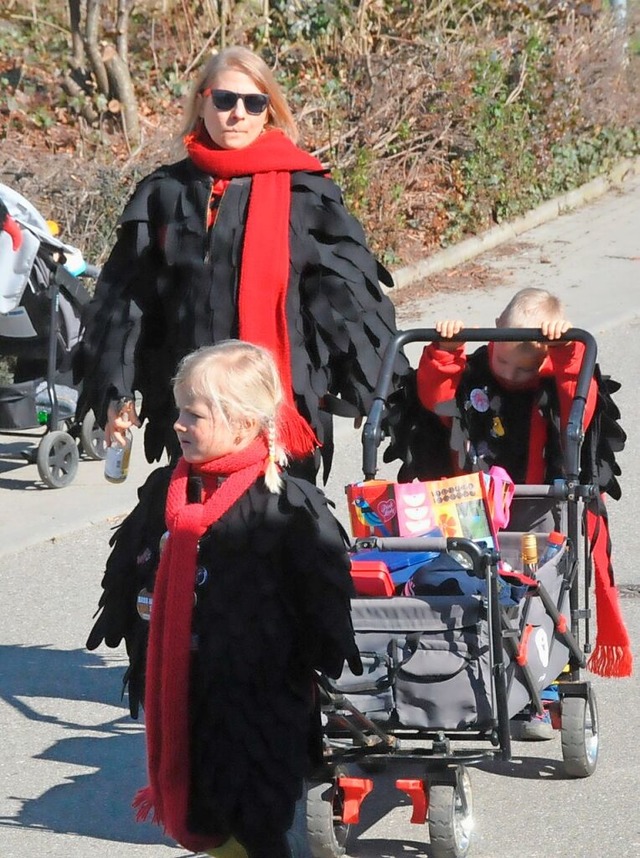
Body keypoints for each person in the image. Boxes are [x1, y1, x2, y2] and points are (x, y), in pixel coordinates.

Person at [74, 45, 405, 482]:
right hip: (192, 408)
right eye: (225, 99)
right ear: (202, 102)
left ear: (269, 110)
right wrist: (116, 386)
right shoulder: (165, 192)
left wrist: (376, 386)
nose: (238, 114)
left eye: (254, 102)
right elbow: (126, 299)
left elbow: (348, 299)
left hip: (278, 408)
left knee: (277, 534)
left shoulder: (306, 193)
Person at [88, 340, 363, 858]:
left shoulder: (286, 506)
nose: (178, 424)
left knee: (266, 825)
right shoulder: (165, 493)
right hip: (190, 693)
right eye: (179, 411)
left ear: (241, 423)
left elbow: (322, 605)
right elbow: (129, 575)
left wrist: (296, 662)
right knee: (208, 815)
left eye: (193, 414)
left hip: (261, 707)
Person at [412, 287, 632, 737]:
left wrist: (567, 349)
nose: (511, 373)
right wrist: (445, 351)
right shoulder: (472, 371)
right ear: (494, 329)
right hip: (471, 502)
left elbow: (580, 403)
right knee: (462, 581)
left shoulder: (556, 376)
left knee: (538, 586)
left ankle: (542, 677)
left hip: (537, 502)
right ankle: (455, 662)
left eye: (524, 366)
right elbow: (436, 400)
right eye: (504, 360)